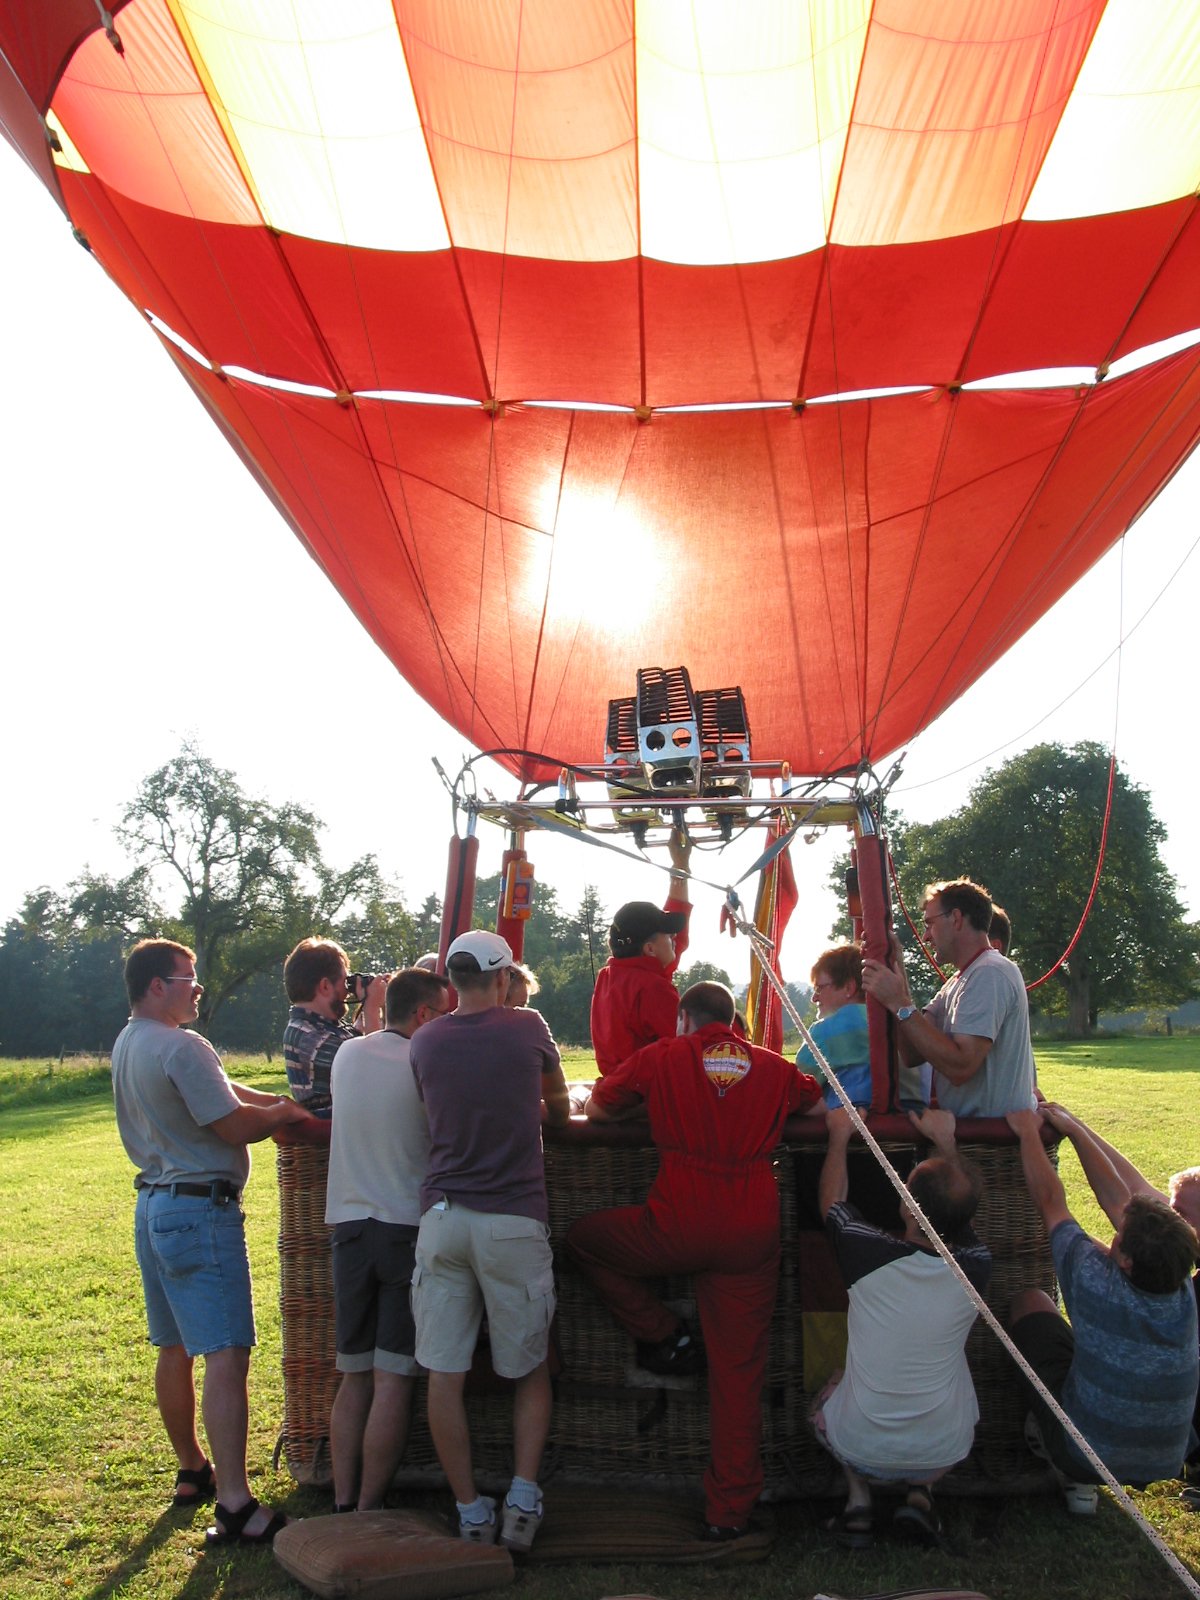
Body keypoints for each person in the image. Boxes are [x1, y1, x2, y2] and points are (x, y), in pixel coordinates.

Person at [569, 981, 823, 1541]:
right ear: (732, 1022)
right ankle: (728, 1512)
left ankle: (664, 1333)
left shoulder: (663, 1056)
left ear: (684, 1018)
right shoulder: (772, 1065)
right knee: (739, 1374)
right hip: (752, 1223)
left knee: (582, 1241)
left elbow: (601, 1108)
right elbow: (818, 1102)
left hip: (678, 1217)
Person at [112, 938, 317, 1545]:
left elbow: (225, 1093)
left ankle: (192, 1469)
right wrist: (283, 1117)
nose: (197, 986)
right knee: (227, 1355)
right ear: (157, 986)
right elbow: (233, 1122)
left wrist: (278, 1101)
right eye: (187, 977)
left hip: (152, 1208)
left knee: (173, 1347)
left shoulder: (130, 1042)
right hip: (201, 1212)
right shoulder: (182, 1045)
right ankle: (235, 1505)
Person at [409, 929, 570, 1551]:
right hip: (511, 1220)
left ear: (451, 981)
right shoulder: (528, 1029)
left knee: (443, 1373)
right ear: (502, 979)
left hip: (443, 1219)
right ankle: (523, 1500)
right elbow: (557, 1111)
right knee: (528, 1368)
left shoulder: (424, 1040)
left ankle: (469, 1510)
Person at [1006, 1105, 1198, 1513]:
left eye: (1118, 1234)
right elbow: (1118, 1200)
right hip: (1166, 1459)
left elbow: (1049, 1200)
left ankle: (1067, 1467)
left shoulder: (1094, 1278)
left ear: (1125, 1260)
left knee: (1031, 1302)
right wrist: (1074, 1129)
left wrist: (1026, 1132)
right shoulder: (1183, 1287)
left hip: (1086, 1454)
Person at [813, 1106, 990, 1548]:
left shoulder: (865, 1252)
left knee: (825, 1391)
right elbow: (960, 1214)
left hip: (859, 1447)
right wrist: (946, 1140)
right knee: (954, 1375)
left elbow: (832, 1205)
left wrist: (838, 1136)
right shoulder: (977, 1267)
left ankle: (858, 1503)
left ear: (905, 1205)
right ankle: (921, 1494)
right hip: (943, 1452)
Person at [325, 967, 452, 1511]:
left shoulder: (347, 1054)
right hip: (405, 1229)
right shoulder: (427, 1063)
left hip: (349, 1227)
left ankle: (339, 1497)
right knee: (394, 1378)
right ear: (423, 1015)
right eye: (443, 1015)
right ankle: (368, 1508)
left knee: (353, 1377)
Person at [862, 878, 1037, 1117]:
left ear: (955, 918)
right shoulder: (959, 982)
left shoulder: (990, 972)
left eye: (929, 924)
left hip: (991, 1144)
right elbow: (913, 1052)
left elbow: (961, 1067)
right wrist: (896, 965)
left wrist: (898, 1002)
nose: (925, 937)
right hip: (974, 1139)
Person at [589, 826, 692, 1075]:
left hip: (618, 1088)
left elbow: (675, 930)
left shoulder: (610, 976)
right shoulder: (653, 987)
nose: (674, 940)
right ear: (649, 949)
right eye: (668, 936)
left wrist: (679, 867)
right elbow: (682, 1050)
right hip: (646, 1095)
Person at [282, 937, 386, 1116]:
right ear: (324, 986)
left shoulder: (318, 1027)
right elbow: (376, 1075)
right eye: (345, 982)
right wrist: (371, 1008)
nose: (348, 990)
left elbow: (359, 1046)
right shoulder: (311, 1038)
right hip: (343, 1137)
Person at [798, 944, 871, 1110]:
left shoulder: (823, 1032)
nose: (814, 998)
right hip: (904, 1124)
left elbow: (798, 1086)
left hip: (848, 1126)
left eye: (819, 988)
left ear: (849, 988)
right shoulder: (893, 1021)